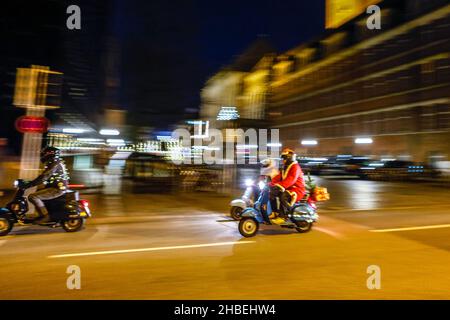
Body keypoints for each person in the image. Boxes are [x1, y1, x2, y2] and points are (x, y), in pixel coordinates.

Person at [27, 147, 69, 223]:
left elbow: (45, 176)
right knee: (37, 191)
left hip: (57, 189)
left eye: (44, 153)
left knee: (33, 196)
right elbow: (45, 176)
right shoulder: (55, 161)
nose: (42, 155)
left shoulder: (54, 162)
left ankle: (45, 216)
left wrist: (30, 184)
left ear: (50, 154)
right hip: (55, 187)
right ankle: (41, 214)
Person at [268, 148, 306, 224]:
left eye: (284, 158)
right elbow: (279, 177)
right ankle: (275, 212)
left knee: (283, 196)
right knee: (271, 193)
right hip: (288, 188)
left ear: (289, 158)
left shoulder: (295, 167)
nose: (283, 160)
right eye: (282, 158)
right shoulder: (285, 167)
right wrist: (270, 184)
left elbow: (291, 179)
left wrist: (280, 186)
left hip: (297, 190)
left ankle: (283, 216)